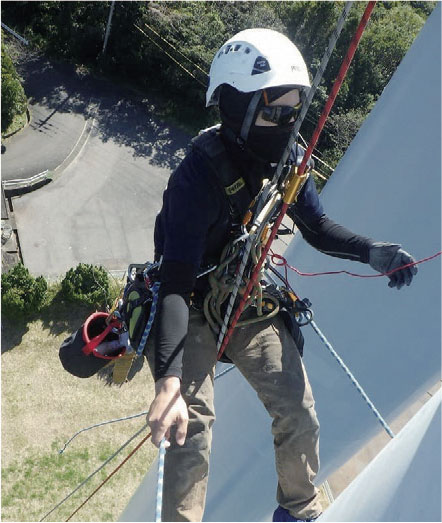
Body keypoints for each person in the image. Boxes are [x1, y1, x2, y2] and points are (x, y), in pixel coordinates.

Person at [145, 28, 417, 522]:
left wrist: (373, 252)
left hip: (245, 297)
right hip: (193, 307)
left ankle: (298, 510)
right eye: (275, 113)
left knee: (297, 408)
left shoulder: (288, 158)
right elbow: (175, 285)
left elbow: (317, 227)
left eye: (293, 114)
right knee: (192, 426)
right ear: (236, 107)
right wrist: (168, 380)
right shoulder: (196, 179)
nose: (288, 126)